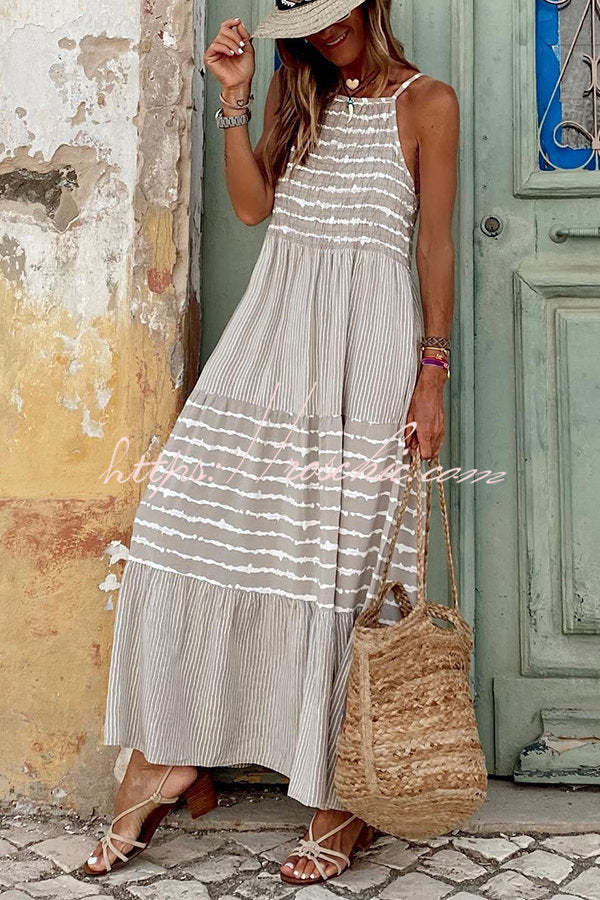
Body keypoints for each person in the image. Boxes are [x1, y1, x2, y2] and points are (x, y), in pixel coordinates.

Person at [82, 0, 458, 885]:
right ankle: (168, 758)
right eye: (307, 18)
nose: (325, 31)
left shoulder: (427, 103)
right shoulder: (299, 95)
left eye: (334, 10)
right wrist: (235, 98)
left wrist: (432, 371)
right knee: (182, 530)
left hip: (369, 351)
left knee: (346, 567)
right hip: (271, 335)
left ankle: (343, 797)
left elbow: (435, 246)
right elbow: (252, 210)